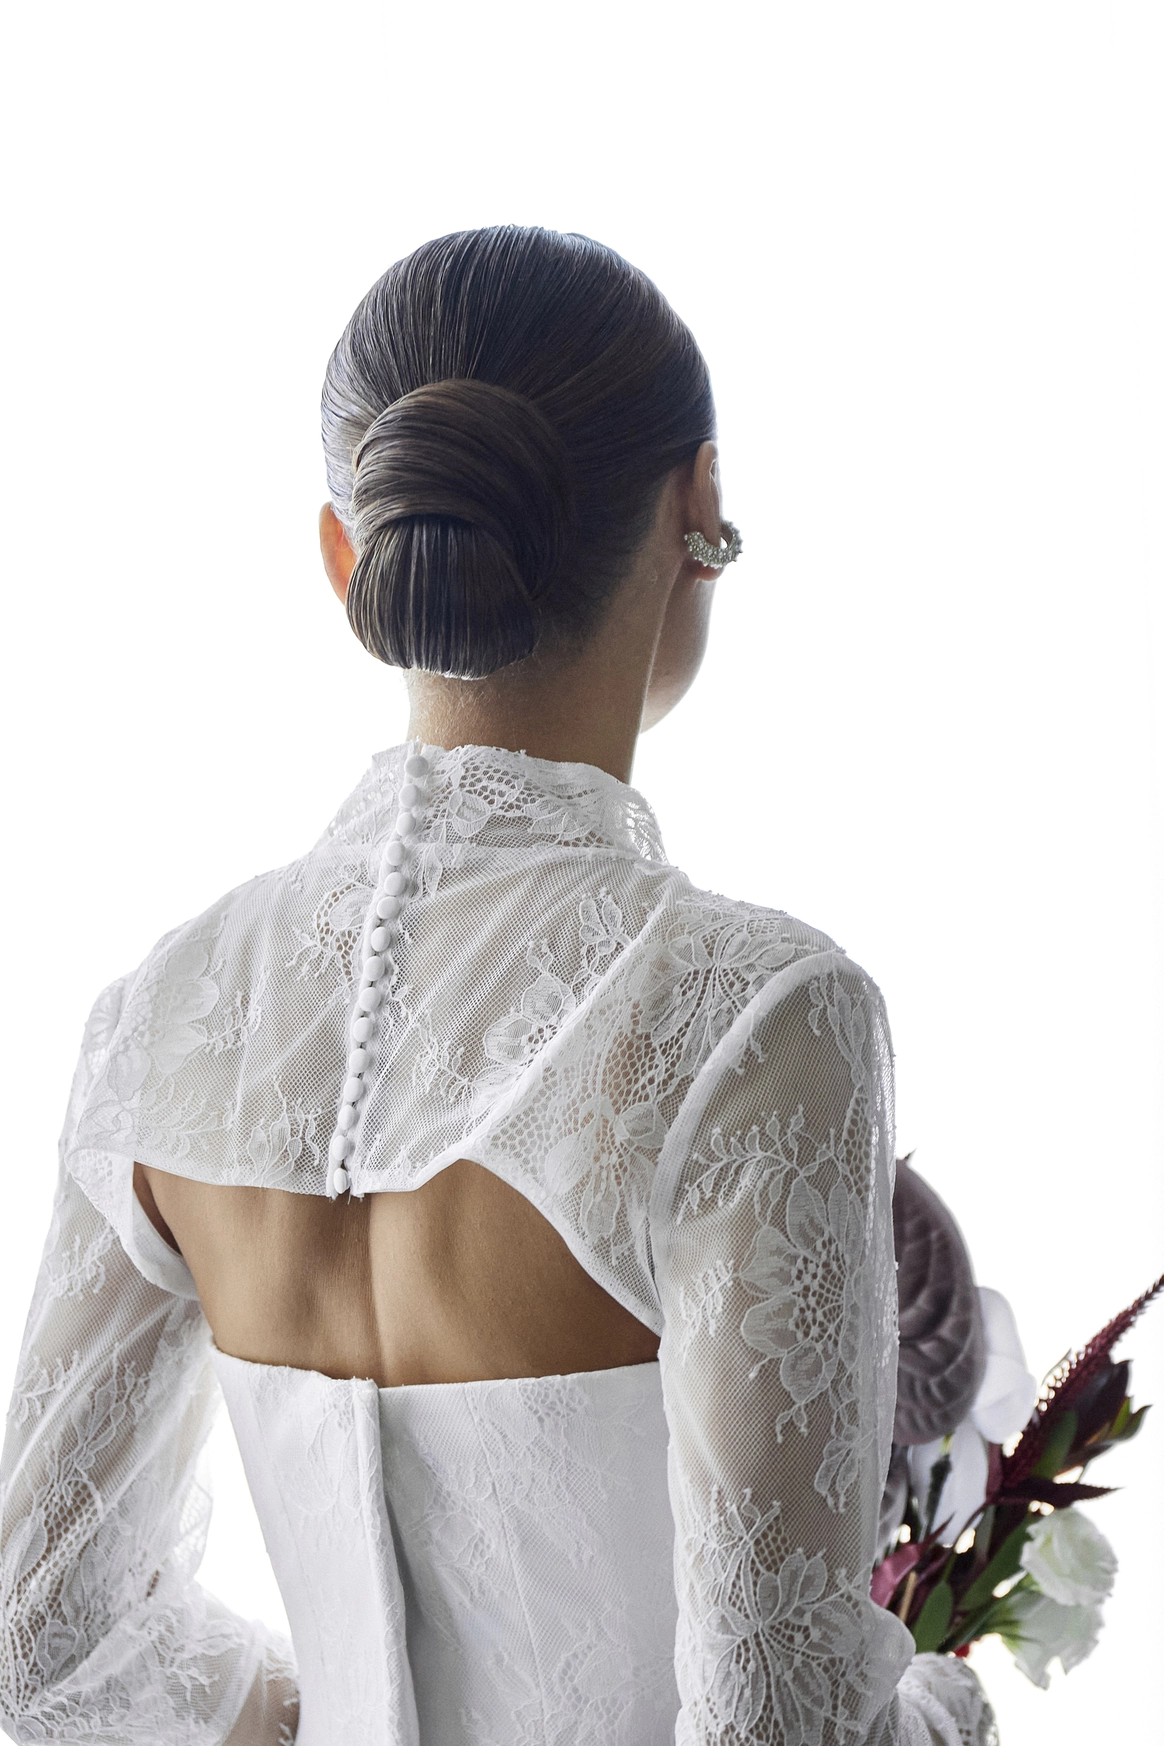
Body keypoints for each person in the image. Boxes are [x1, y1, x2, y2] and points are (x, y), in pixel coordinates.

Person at [0, 226, 997, 1746]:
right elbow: (783, 1725)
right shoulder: (756, 1015)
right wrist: (945, 1702)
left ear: (347, 555)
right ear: (701, 507)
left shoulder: (162, 1020)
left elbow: (37, 1639)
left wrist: (336, 1710)